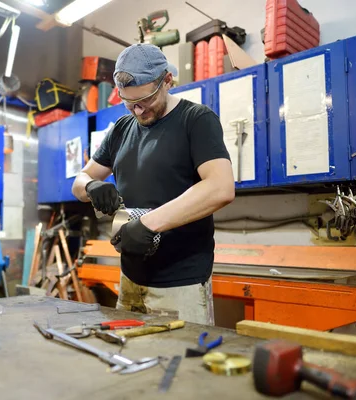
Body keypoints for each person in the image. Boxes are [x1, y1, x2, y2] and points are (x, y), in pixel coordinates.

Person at [71, 44, 235, 325]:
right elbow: (79, 180)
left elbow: (220, 188)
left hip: (179, 283)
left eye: (145, 99)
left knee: (179, 364)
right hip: (130, 278)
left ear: (167, 81)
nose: (137, 108)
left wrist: (149, 223)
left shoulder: (195, 120)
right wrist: (91, 187)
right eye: (128, 100)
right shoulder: (122, 128)